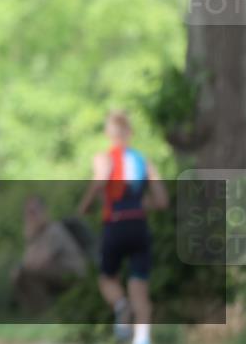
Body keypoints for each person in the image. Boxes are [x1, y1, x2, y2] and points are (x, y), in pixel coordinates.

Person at [77, 111, 168, 344]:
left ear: (109, 133)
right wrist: (140, 204)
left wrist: (84, 206)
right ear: (130, 132)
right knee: (140, 288)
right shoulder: (143, 161)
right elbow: (161, 201)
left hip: (115, 224)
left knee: (107, 279)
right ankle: (142, 339)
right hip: (139, 225)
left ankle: (120, 305)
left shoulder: (105, 158)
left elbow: (101, 179)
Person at [11, 195, 87, 314]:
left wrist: (30, 240)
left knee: (25, 273)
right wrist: (30, 239)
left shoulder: (53, 230)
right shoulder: (37, 234)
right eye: (27, 213)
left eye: (33, 212)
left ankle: (44, 312)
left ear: (44, 211)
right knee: (20, 273)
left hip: (72, 275)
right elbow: (28, 262)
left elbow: (39, 262)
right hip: (57, 273)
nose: (30, 217)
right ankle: (35, 311)